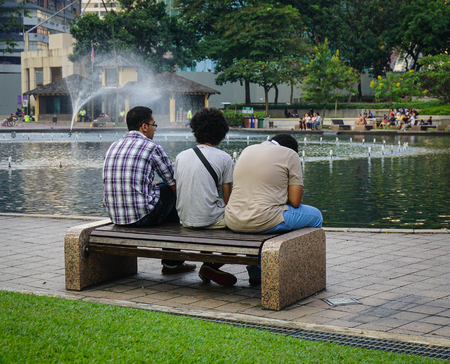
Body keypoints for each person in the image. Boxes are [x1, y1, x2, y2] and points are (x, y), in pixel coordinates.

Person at [103, 106, 196, 275]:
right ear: (144, 127)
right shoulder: (151, 146)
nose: (155, 129)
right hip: (141, 217)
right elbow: (173, 181)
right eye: (154, 125)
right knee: (170, 190)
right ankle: (172, 262)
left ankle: (173, 261)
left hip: (116, 217)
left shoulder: (114, 146)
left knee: (160, 188)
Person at [225, 134, 323, 283]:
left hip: (233, 220)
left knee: (271, 213)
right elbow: (295, 202)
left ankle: (256, 270)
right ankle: (306, 270)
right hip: (263, 219)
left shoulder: (247, 150)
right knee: (316, 216)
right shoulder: (290, 154)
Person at [175, 108, 236, 286]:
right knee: (246, 225)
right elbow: (227, 200)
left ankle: (210, 267)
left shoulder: (181, 156)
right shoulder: (224, 158)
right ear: (221, 133)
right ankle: (211, 265)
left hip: (185, 219)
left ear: (195, 131)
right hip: (210, 220)